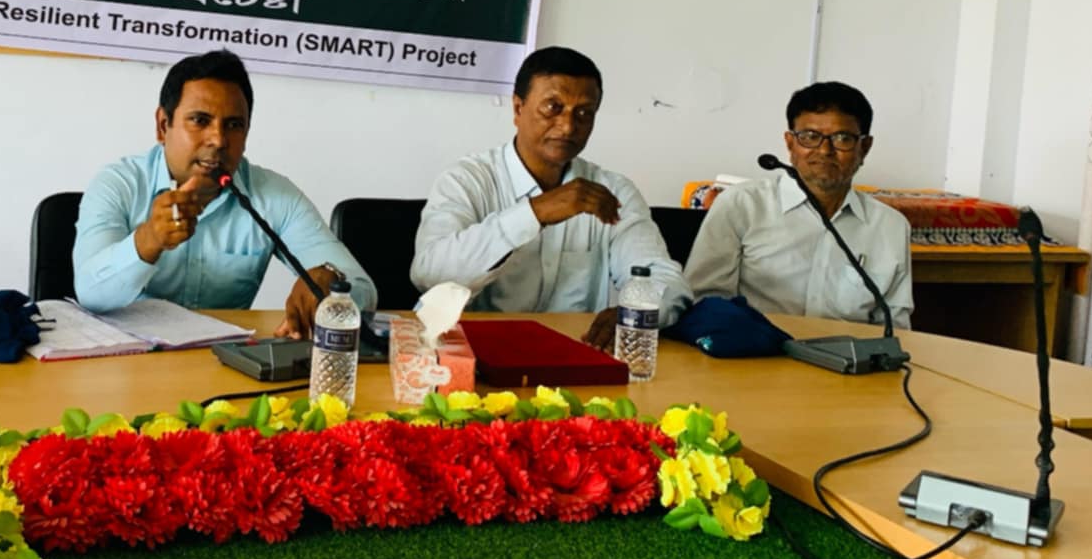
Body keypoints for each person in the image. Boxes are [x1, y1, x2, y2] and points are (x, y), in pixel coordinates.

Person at [72, 49, 373, 335]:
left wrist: (331, 280)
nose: (218, 139)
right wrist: (148, 240)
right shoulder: (119, 184)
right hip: (127, 359)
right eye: (200, 121)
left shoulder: (274, 196)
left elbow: (363, 288)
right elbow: (90, 294)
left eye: (233, 125)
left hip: (224, 358)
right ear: (163, 126)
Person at [412, 46, 688, 348]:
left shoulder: (613, 191)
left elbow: (664, 278)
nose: (568, 126)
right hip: (474, 356)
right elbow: (430, 275)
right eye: (552, 107)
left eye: (584, 113)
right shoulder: (467, 180)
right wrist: (534, 213)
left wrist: (636, 310)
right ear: (518, 109)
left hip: (575, 354)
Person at [683, 81, 912, 327]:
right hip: (755, 347)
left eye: (842, 138)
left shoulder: (890, 226)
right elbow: (705, 301)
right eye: (810, 137)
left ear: (864, 148)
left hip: (852, 350)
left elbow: (894, 327)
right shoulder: (742, 205)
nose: (824, 150)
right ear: (790, 143)